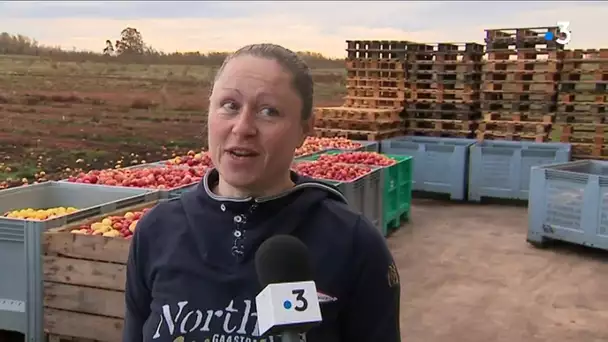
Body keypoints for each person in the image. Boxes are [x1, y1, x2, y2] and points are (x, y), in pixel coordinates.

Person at [123, 43, 402, 342]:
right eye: (230, 105)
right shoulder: (157, 231)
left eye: (269, 111)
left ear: (305, 128)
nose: (243, 128)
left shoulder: (353, 244)